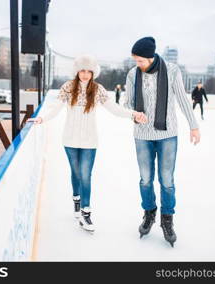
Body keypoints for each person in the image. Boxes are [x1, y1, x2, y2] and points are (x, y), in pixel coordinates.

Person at [28, 55, 147, 233]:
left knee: (85, 175)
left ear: (93, 73)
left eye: (88, 71)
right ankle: (76, 200)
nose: (85, 74)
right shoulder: (68, 87)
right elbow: (56, 108)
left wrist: (133, 114)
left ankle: (85, 212)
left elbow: (114, 109)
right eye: (82, 71)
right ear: (77, 72)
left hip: (89, 141)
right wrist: (41, 118)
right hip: (69, 139)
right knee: (76, 174)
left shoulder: (98, 90)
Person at [124, 37, 201, 247]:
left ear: (150, 57)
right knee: (145, 179)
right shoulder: (133, 74)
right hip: (142, 135)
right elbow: (127, 102)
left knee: (167, 180)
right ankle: (149, 213)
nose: (137, 64)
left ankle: (167, 219)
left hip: (167, 134)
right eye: (135, 60)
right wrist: (134, 114)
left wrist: (193, 125)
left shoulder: (172, 70)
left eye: (139, 60)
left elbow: (184, 100)